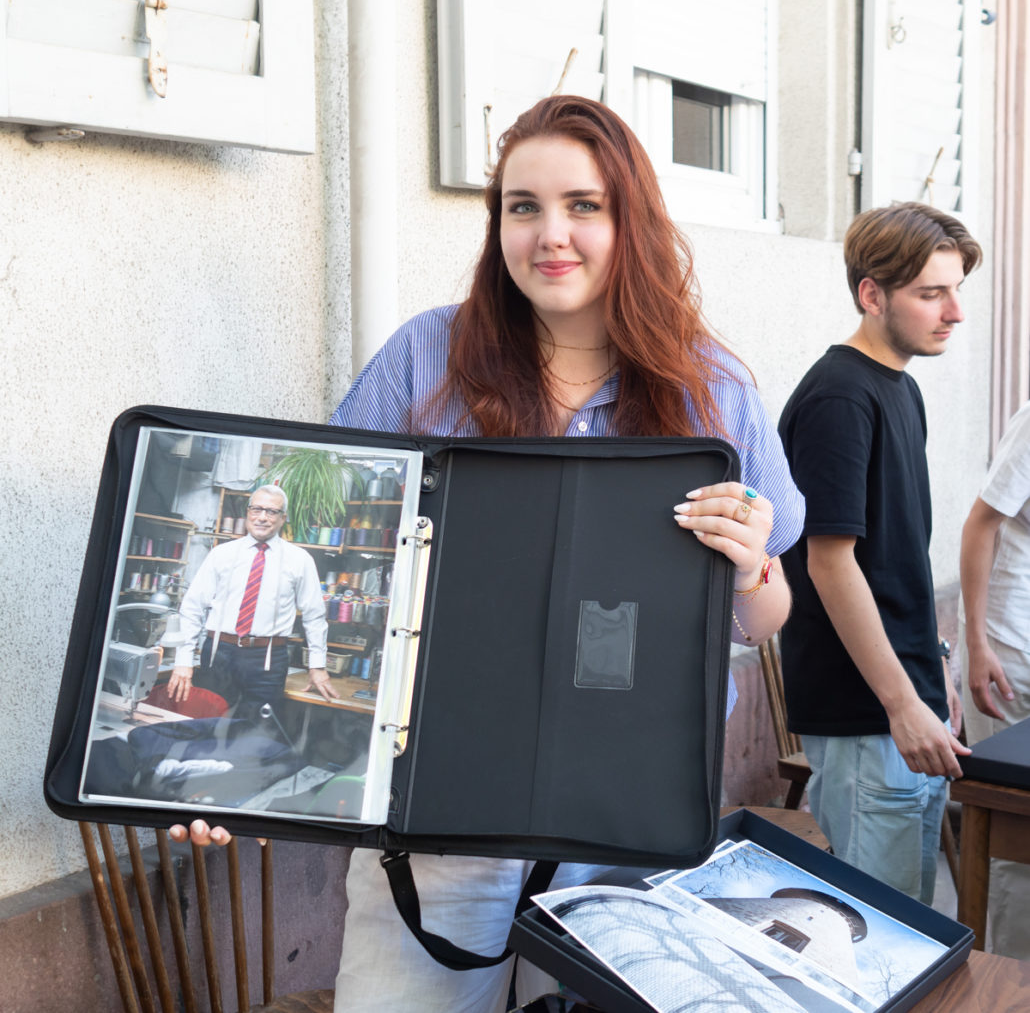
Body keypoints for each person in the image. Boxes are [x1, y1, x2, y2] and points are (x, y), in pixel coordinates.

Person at [173, 95, 805, 1011]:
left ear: (631, 219)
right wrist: (234, 774)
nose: (551, 234)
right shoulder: (426, 354)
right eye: (523, 206)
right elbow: (326, 527)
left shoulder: (711, 387)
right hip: (438, 814)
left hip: (623, 817)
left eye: (584, 205)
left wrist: (749, 567)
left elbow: (761, 619)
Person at [777, 201, 982, 905]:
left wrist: (935, 673)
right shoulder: (839, 398)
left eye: (957, 290)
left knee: (913, 923)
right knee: (879, 936)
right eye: (931, 293)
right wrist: (902, 703)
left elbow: (898, 563)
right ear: (872, 294)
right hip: (869, 718)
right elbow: (829, 563)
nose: (954, 312)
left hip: (908, 702)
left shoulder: (901, 388)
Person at [957, 399, 1030, 958]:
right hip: (1008, 646)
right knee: (1014, 834)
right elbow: (981, 523)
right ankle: (1009, 983)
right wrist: (977, 644)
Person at [167, 484, 338, 716]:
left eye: (272, 511)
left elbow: (314, 616)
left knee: (256, 730)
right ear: (248, 512)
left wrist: (317, 666)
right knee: (207, 724)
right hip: (218, 653)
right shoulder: (221, 554)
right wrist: (183, 659)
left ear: (283, 518)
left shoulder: (300, 560)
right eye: (257, 509)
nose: (262, 517)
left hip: (268, 659)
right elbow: (192, 608)